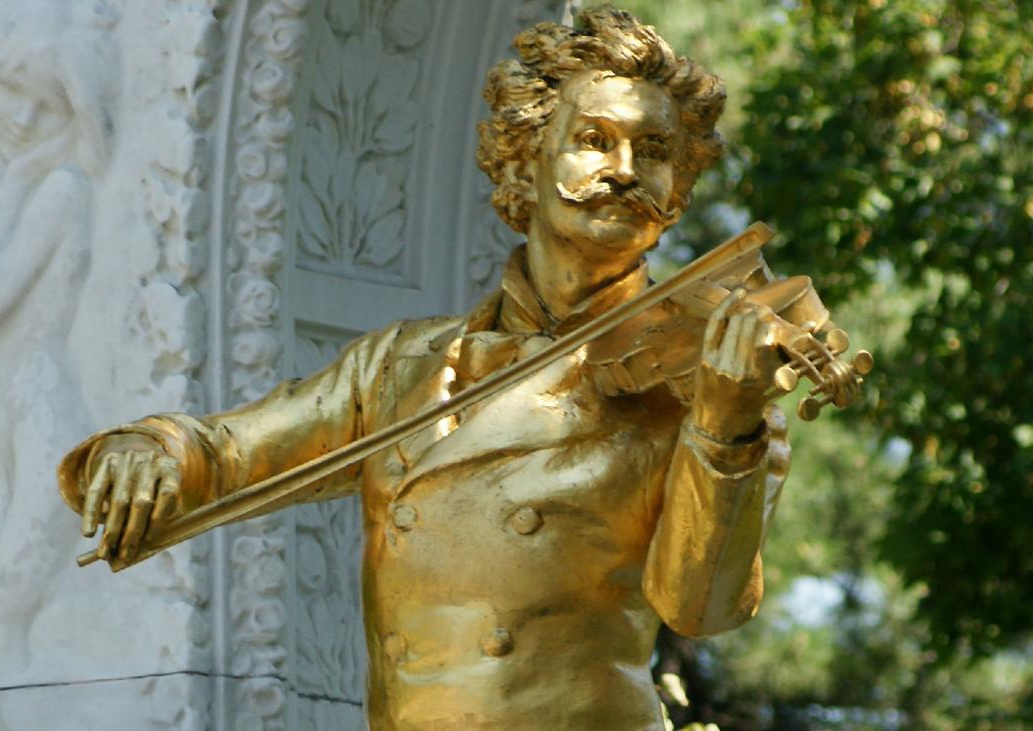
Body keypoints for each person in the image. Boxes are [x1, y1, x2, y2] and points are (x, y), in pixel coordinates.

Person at [59, 9, 790, 730]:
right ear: (524, 156)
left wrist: (727, 427)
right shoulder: (396, 366)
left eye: (655, 149)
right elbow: (231, 451)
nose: (625, 171)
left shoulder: (704, 382)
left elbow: (703, 605)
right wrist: (154, 447)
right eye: (594, 140)